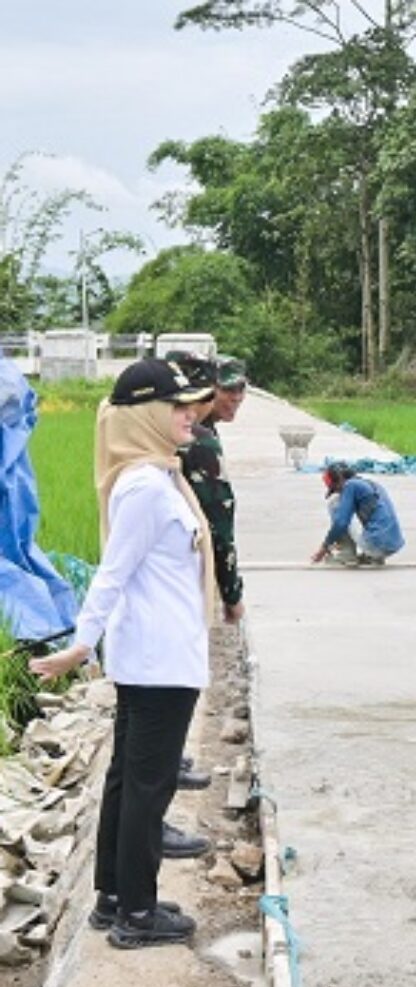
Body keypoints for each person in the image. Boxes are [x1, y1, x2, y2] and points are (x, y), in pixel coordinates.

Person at [29, 358, 216, 950]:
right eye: (178, 407)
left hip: (153, 656)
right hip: (160, 662)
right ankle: (137, 913)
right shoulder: (143, 486)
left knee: (126, 780)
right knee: (147, 787)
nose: (190, 417)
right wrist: (82, 643)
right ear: (146, 416)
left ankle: (113, 897)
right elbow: (111, 573)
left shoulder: (155, 477)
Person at [168, 354, 247, 625]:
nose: (236, 397)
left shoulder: (159, 424)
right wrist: (231, 594)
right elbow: (218, 519)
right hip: (177, 568)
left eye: (241, 388)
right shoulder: (197, 438)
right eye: (226, 389)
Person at [311, 462, 405, 566]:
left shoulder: (350, 485)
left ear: (341, 480)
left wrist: (325, 547)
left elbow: (341, 522)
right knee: (352, 511)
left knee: (335, 503)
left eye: (336, 489)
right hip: (392, 545)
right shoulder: (370, 484)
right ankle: (373, 556)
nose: (339, 492)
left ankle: (347, 553)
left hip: (376, 544)